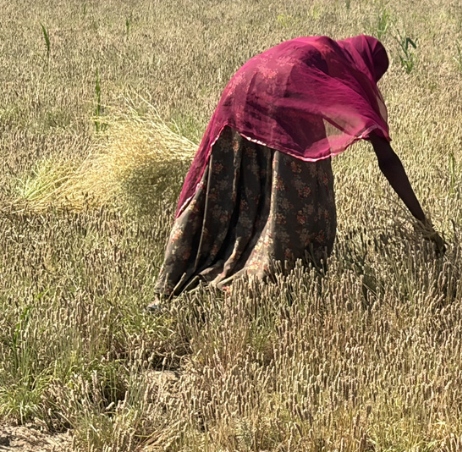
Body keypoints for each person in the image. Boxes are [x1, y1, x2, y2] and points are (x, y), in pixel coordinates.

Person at [152, 34, 443, 302]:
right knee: (304, 192)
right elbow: (387, 159)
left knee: (231, 184)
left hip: (244, 85)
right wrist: (423, 224)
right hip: (286, 87)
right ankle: (259, 274)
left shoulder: (323, 50)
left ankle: (181, 273)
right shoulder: (336, 68)